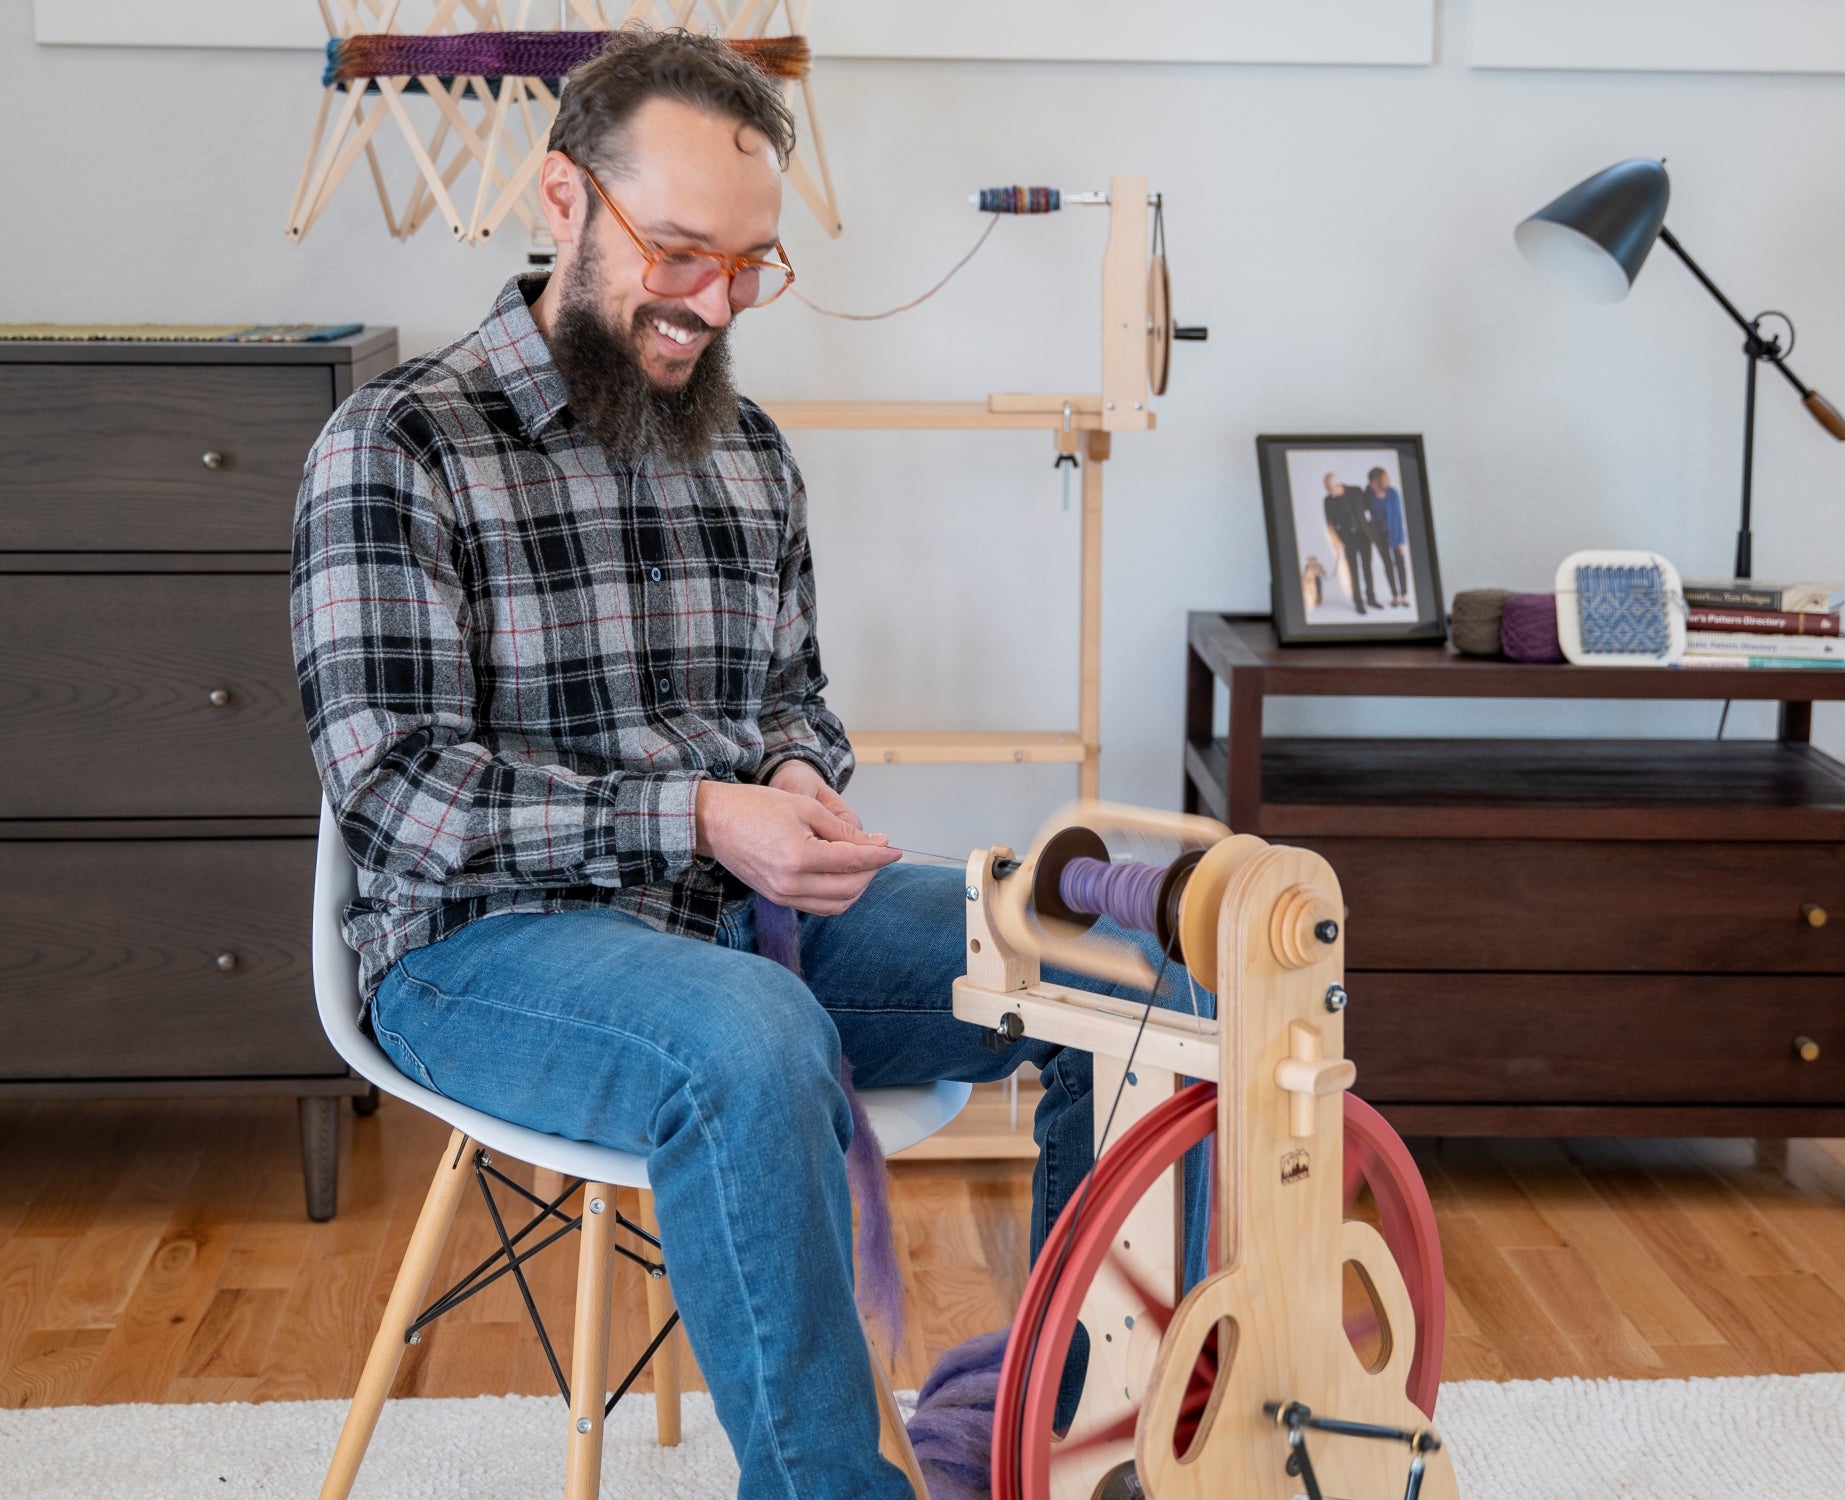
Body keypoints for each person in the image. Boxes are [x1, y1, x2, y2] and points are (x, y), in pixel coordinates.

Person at [289, 30, 1200, 1500]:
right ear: (564, 201)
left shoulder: (748, 449)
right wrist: (699, 813)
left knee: (1136, 974)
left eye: (751, 266)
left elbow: (795, 701)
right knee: (749, 1038)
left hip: (739, 920)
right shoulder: (398, 447)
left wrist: (784, 777)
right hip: (477, 949)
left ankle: (1101, 1446)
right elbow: (396, 789)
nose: (713, 305)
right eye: (681, 252)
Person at [1320, 469, 1378, 613]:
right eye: (1326, 488)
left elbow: (1369, 505)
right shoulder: (1328, 501)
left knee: (1367, 569)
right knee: (1353, 571)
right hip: (1347, 539)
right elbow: (1329, 524)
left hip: (1363, 536)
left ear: (1338, 484)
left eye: (1329, 487)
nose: (1328, 491)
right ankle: (1358, 602)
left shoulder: (1356, 491)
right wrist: (1335, 541)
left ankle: (1371, 598)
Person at [1366, 465, 1410, 608]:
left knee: (1400, 565)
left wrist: (1402, 541)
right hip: (1380, 536)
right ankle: (1394, 596)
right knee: (1388, 565)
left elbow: (1398, 517)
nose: (1370, 484)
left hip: (1395, 533)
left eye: (1372, 481)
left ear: (1378, 481)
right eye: (1369, 481)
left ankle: (1404, 595)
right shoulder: (1370, 495)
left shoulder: (1393, 493)